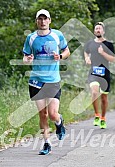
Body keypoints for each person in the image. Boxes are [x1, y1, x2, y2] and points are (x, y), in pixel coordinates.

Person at [22, 9, 70, 155]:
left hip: (52, 80)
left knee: (53, 113)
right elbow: (25, 57)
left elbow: (67, 51)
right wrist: (27, 60)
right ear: (36, 21)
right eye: (40, 19)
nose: (42, 22)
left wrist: (60, 56)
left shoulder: (57, 35)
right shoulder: (31, 38)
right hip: (36, 80)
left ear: (50, 20)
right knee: (43, 114)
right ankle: (47, 144)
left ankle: (59, 123)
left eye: (45, 19)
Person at [84, 22, 115, 129]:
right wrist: (87, 58)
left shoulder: (108, 44)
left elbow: (113, 59)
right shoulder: (90, 43)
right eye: (96, 28)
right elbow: (86, 51)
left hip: (105, 74)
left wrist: (103, 53)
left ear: (103, 31)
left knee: (104, 98)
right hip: (93, 72)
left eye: (100, 28)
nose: (98, 30)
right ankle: (96, 115)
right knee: (94, 92)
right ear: (94, 31)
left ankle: (103, 118)